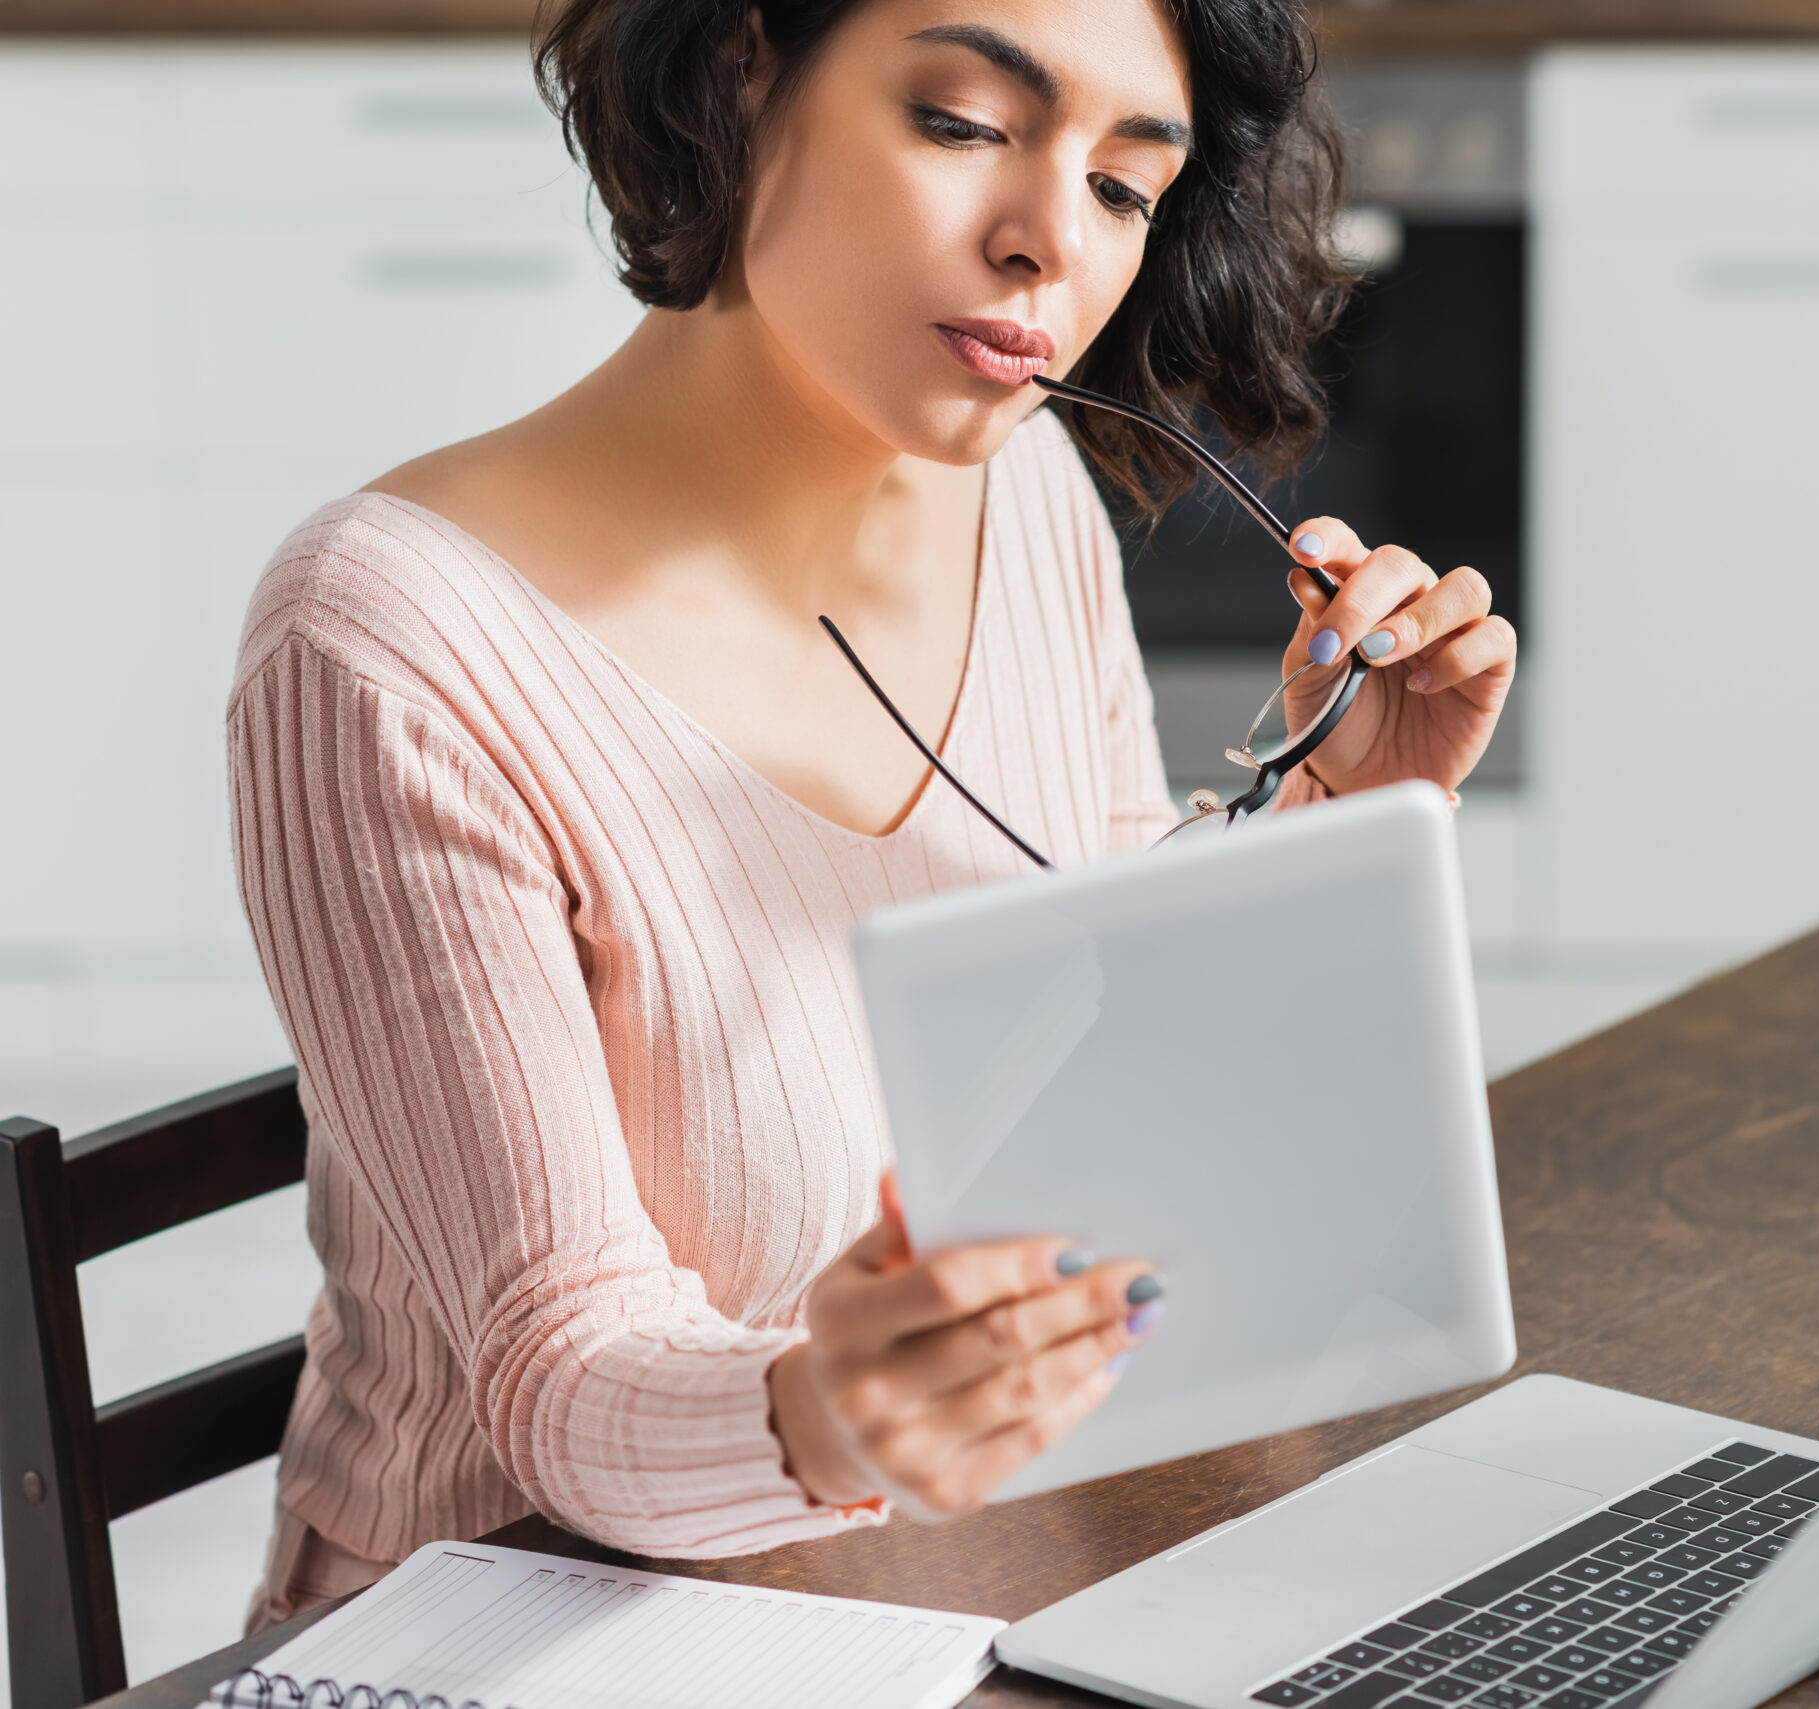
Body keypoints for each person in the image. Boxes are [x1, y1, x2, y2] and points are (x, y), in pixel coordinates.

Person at [230, 0, 1516, 1628]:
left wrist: (1341, 815)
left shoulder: (1025, 492)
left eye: (1125, 190)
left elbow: (1107, 1102)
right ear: (740, 69)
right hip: (519, 1627)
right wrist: (820, 1416)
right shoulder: (391, 636)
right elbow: (554, 1368)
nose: (1048, 240)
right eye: (965, 123)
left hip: (953, 1578)